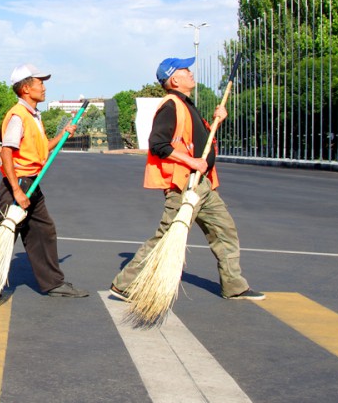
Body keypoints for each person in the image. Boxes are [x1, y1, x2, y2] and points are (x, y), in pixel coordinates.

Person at [110, 57, 264, 301]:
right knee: (168, 235)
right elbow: (158, 144)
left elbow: (198, 142)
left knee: (224, 231)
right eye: (185, 70)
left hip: (203, 183)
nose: (190, 73)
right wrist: (192, 163)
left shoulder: (186, 104)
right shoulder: (171, 105)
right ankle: (124, 284)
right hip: (184, 183)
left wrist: (217, 121)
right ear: (174, 79)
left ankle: (234, 285)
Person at [0, 63, 89, 298]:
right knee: (3, 232)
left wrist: (64, 133)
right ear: (25, 88)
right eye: (39, 83)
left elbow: (41, 148)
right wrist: (17, 190)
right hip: (20, 183)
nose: (43, 87)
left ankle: (53, 282)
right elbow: (6, 152)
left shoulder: (33, 116)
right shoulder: (18, 116)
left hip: (31, 182)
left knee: (42, 230)